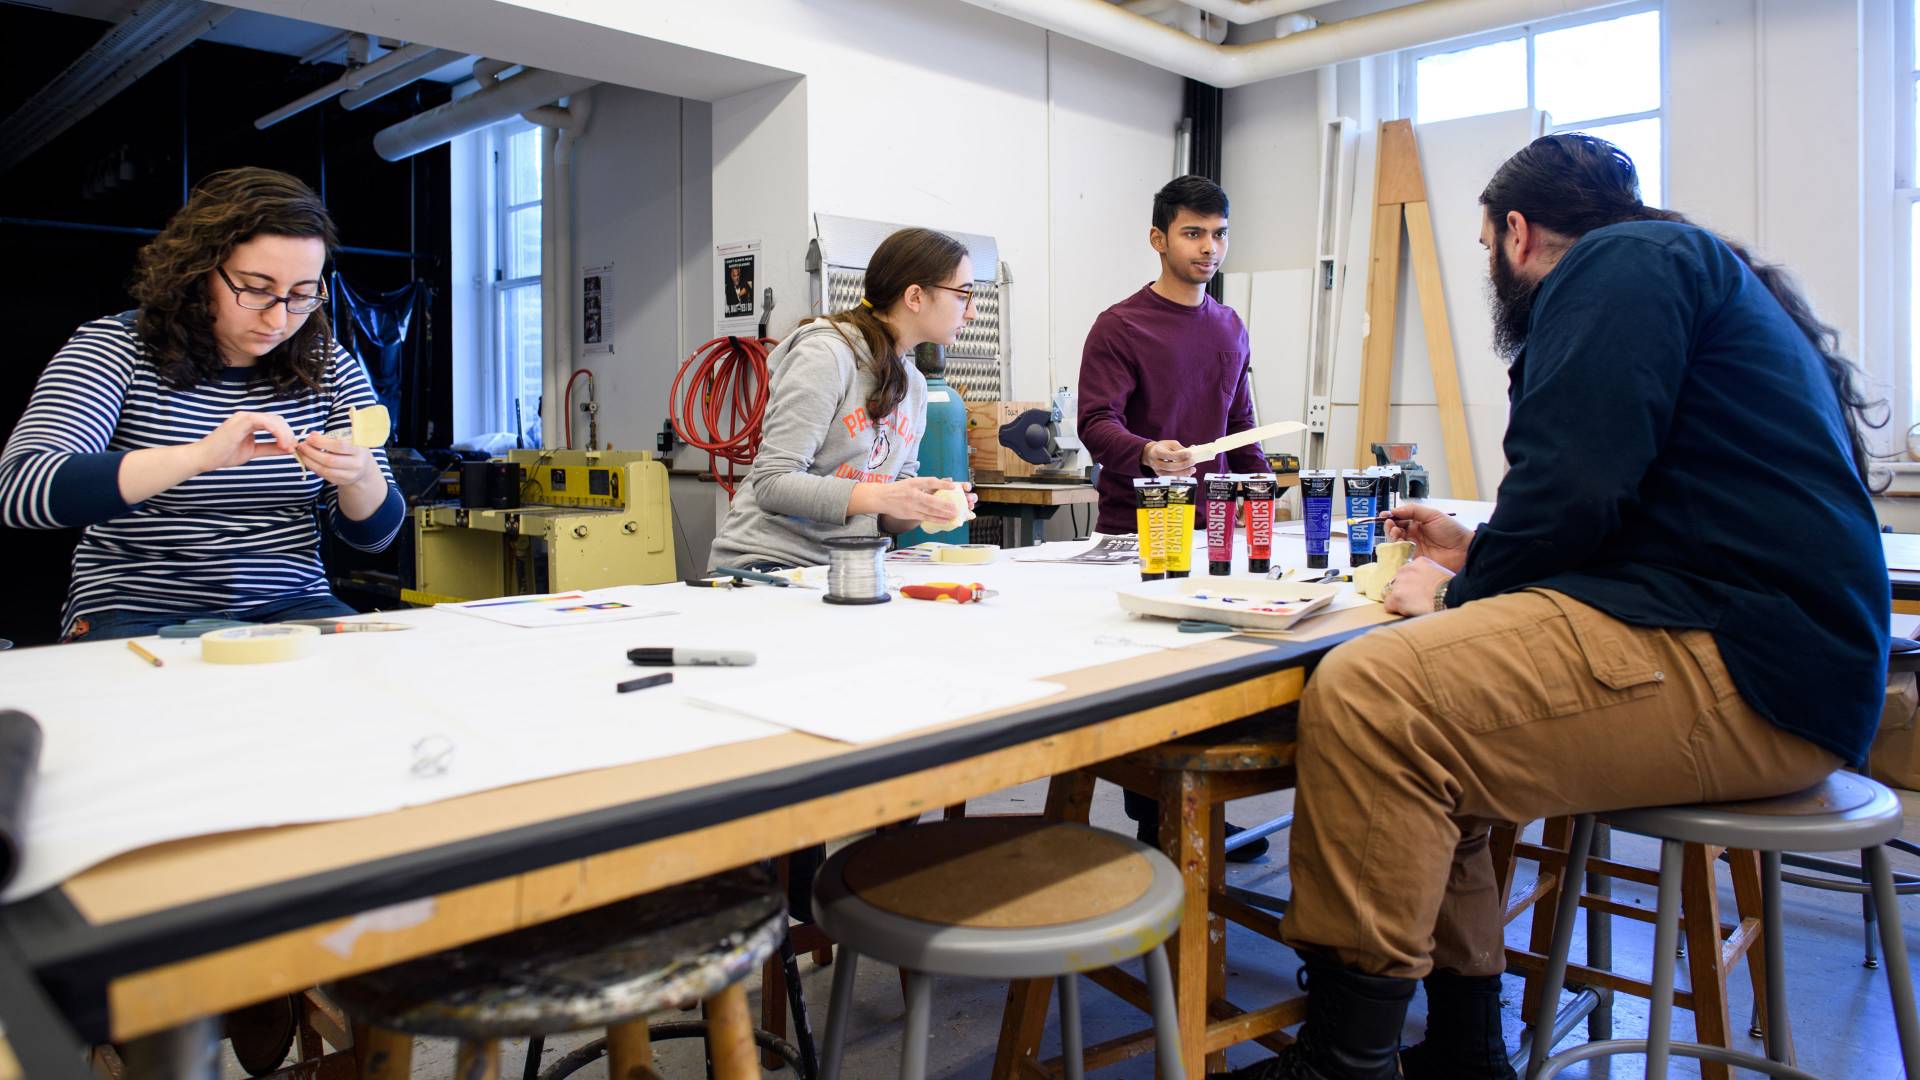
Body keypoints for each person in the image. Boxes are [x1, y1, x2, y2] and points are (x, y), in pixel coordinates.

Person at [1215, 135, 1888, 1080]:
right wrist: (1482, 552)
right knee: (1444, 734)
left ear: (1517, 234)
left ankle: (1343, 1061)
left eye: (1485, 245)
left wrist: (1458, 591)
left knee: (1375, 694)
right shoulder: (1680, 268)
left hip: (1749, 667)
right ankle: (1463, 1050)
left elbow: (1573, 486)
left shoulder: (1621, 261)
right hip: (1772, 660)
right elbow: (1633, 508)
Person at [0, 167, 406, 642]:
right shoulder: (116, 347)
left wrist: (360, 476)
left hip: (291, 603)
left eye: (301, 295)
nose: (278, 319)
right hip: (135, 606)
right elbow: (23, 489)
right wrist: (198, 457)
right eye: (256, 289)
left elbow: (375, 537)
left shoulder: (326, 363)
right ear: (198, 271)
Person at [1077, 174, 1271, 861]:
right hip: (1136, 529)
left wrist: (1264, 491)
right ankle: (1154, 825)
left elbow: (1240, 426)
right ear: (1158, 239)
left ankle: (1196, 817)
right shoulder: (1120, 325)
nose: (1209, 247)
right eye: (1193, 233)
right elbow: (1095, 423)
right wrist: (1146, 451)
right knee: (1149, 682)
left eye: (1219, 234)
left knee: (1208, 674)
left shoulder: (1229, 326)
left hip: (1209, 531)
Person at [709, 226, 977, 572]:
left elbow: (884, 514)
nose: (972, 312)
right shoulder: (826, 355)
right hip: (766, 562)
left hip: (845, 566)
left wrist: (923, 505)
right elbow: (773, 483)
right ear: (915, 297)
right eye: (963, 295)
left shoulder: (914, 386)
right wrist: (885, 495)